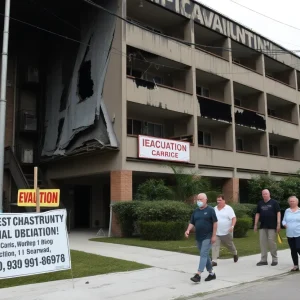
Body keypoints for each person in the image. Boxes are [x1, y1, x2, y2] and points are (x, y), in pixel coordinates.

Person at [185, 193, 218, 283]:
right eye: (198, 199)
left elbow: (215, 223)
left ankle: (198, 275)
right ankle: (211, 274)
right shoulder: (196, 211)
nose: (199, 201)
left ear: (206, 200)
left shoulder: (211, 210)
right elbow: (192, 222)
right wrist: (188, 230)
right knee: (205, 255)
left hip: (208, 236)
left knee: (203, 254)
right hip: (198, 237)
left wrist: (214, 235)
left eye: (201, 199)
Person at [254, 189, 281, 266]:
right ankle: (263, 260)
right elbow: (257, 214)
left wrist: (278, 224)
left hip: (272, 226)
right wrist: (255, 224)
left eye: (266, 194)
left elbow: (278, 213)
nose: (264, 195)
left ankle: (274, 259)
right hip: (263, 226)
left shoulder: (274, 203)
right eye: (263, 194)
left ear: (269, 194)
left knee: (272, 243)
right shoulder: (260, 203)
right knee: (263, 243)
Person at [211, 194, 238, 266]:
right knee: (215, 245)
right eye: (217, 200)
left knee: (229, 245)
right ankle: (214, 260)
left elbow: (234, 218)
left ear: (224, 200)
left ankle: (235, 253)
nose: (218, 201)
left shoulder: (228, 208)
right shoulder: (214, 209)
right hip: (217, 232)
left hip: (226, 232)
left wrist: (232, 226)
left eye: (220, 200)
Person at [282, 196, 300, 271]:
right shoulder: (287, 211)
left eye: (293, 201)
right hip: (289, 234)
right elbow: (284, 220)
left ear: (297, 202)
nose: (292, 202)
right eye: (290, 201)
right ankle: (296, 265)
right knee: (293, 250)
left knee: (298, 248)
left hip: (298, 233)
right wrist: (284, 224)